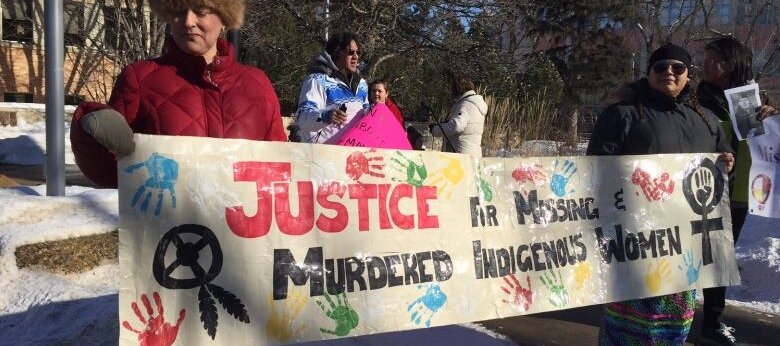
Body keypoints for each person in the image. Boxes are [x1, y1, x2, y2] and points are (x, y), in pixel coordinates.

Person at [588, 43, 734, 345]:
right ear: (648, 73)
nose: (669, 71)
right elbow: (596, 170)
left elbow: (721, 161)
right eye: (660, 67)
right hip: (636, 243)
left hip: (684, 246)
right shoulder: (622, 115)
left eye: (677, 67)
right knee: (626, 326)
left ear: (687, 75)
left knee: (672, 326)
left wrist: (727, 162)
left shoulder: (705, 119)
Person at [70, 0, 287, 188]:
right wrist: (93, 133)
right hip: (167, 230)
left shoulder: (257, 84)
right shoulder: (140, 79)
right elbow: (113, 173)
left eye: (201, 11)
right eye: (179, 11)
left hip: (242, 231)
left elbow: (281, 169)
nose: (188, 21)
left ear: (224, 17)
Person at [697, 36, 777, 346]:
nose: (704, 65)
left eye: (712, 59)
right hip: (702, 192)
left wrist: (772, 114)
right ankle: (677, 316)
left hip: (741, 192)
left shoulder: (751, 99)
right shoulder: (696, 98)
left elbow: (760, 144)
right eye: (704, 58)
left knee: (720, 259)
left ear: (731, 64)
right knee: (693, 256)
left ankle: (712, 325)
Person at [294, 32, 369, 143]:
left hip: (351, 155)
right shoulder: (317, 79)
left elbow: (367, 115)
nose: (356, 57)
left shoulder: (362, 84)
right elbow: (302, 117)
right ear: (337, 53)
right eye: (350, 52)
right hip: (322, 155)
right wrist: (325, 116)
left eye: (358, 52)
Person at [430, 75, 487, 158]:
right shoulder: (475, 104)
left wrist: (436, 129)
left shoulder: (465, 105)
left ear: (458, 89)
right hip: (474, 154)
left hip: (461, 155)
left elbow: (457, 126)